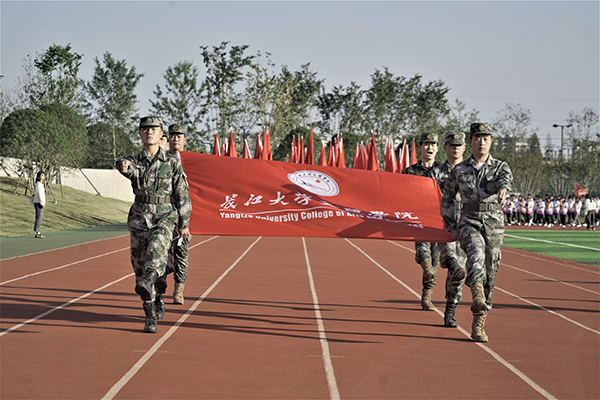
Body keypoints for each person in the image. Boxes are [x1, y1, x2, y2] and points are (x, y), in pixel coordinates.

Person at [116, 116, 192, 333]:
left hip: (165, 217)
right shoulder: (135, 161)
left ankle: (152, 281)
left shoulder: (172, 163)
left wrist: (184, 223)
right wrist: (122, 165)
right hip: (139, 219)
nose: (149, 132)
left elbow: (182, 194)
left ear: (161, 135)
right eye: (145, 129)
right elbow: (127, 167)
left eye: (154, 129)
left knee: (157, 251)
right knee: (139, 268)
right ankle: (151, 311)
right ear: (140, 134)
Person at [441, 122, 513, 342]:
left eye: (486, 138)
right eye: (477, 138)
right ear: (470, 142)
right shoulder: (459, 170)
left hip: (493, 224)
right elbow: (448, 198)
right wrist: (451, 226)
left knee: (491, 268)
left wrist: (503, 189)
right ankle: (477, 294)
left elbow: (506, 181)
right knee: (476, 255)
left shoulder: (500, 167)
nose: (482, 142)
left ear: (491, 141)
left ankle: (479, 320)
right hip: (468, 221)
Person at [431, 132, 467, 327]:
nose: (455, 148)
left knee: (459, 271)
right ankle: (450, 262)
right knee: (451, 258)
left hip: (466, 224)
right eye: (452, 145)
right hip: (442, 223)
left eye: (458, 145)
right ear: (445, 147)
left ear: (464, 148)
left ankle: (451, 307)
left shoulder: (470, 172)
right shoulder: (436, 173)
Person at [402, 132, 441, 311]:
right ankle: (426, 266)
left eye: (433, 144)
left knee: (435, 258)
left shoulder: (444, 171)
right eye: (426, 144)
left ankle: (427, 296)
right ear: (420, 147)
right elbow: (398, 192)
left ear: (437, 148)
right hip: (419, 219)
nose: (429, 147)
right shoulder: (409, 172)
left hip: (439, 221)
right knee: (423, 249)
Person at [166, 123, 191, 305]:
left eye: (178, 136)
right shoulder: (163, 161)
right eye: (172, 136)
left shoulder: (192, 163)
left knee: (181, 253)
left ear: (184, 140)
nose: (175, 139)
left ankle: (178, 289)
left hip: (185, 216)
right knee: (161, 252)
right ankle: (160, 284)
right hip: (164, 215)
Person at [33, 170, 46, 238]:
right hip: (38, 203)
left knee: (39, 218)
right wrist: (42, 203)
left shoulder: (40, 184)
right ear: (38, 177)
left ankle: (37, 231)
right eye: (41, 175)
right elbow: (40, 194)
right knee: (39, 218)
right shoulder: (38, 184)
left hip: (38, 202)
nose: (43, 176)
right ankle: (37, 232)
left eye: (43, 175)